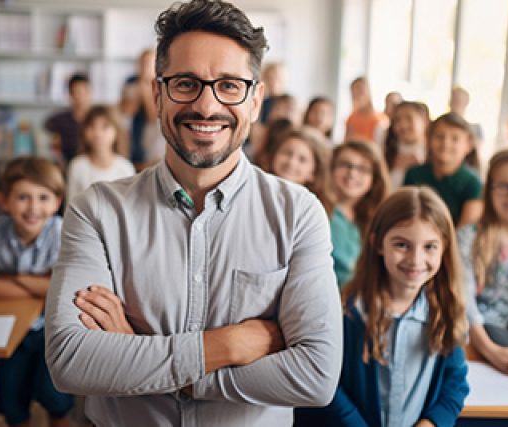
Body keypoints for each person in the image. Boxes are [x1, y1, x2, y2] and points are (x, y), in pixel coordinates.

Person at [45, 1, 343, 426]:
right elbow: (71, 361)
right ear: (157, 94)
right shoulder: (96, 210)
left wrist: (146, 359)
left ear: (256, 100)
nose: (206, 106)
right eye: (186, 83)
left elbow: (315, 376)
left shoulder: (298, 214)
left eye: (229, 85)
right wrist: (228, 345)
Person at [296, 187, 469, 427]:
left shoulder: (447, 312)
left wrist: (432, 423)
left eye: (430, 247)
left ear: (444, 248)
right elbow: (329, 384)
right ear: (378, 244)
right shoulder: (347, 311)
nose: (415, 260)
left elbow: (455, 383)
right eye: (402, 245)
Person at [0, 156, 72, 427]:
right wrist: (36, 285)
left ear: (57, 202)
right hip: (6, 330)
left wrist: (8, 279)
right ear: (3, 200)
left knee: (56, 398)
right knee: (11, 400)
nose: (33, 207)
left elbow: (64, 288)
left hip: (55, 329)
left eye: (43, 197)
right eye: (23, 197)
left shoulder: (66, 233)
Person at [458, 149, 508, 376]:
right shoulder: (469, 237)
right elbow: (464, 302)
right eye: (504, 187)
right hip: (481, 331)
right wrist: (491, 350)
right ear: (490, 188)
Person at [404, 112, 483, 228]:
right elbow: (405, 215)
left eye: (455, 139)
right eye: (440, 136)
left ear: (469, 146)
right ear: (428, 140)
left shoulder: (474, 183)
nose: (446, 143)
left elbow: (466, 231)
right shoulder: (414, 173)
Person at [329, 141, 390, 287]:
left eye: (363, 169)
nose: (352, 173)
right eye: (345, 165)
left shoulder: (377, 220)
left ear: (374, 179)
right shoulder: (318, 211)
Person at [66, 105, 136, 201]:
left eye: (105, 126)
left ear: (116, 131)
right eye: (91, 126)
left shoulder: (125, 167)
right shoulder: (77, 165)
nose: (97, 133)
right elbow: (71, 204)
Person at [267, 128, 331, 211]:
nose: (291, 162)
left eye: (302, 160)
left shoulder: (312, 209)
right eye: (287, 153)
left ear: (313, 173)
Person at [45, 73, 92, 166]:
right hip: (66, 166)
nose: (81, 97)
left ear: (90, 92)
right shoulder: (58, 121)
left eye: (84, 92)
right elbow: (52, 147)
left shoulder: (97, 120)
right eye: (77, 92)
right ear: (70, 94)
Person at [383, 101, 430, 189]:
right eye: (397, 120)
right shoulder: (387, 150)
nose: (403, 125)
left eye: (409, 118)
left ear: (424, 121)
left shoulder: (433, 152)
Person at [344, 77, 389, 143]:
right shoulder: (351, 119)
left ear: (368, 91)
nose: (357, 94)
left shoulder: (381, 119)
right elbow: (347, 142)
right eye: (354, 91)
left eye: (360, 90)